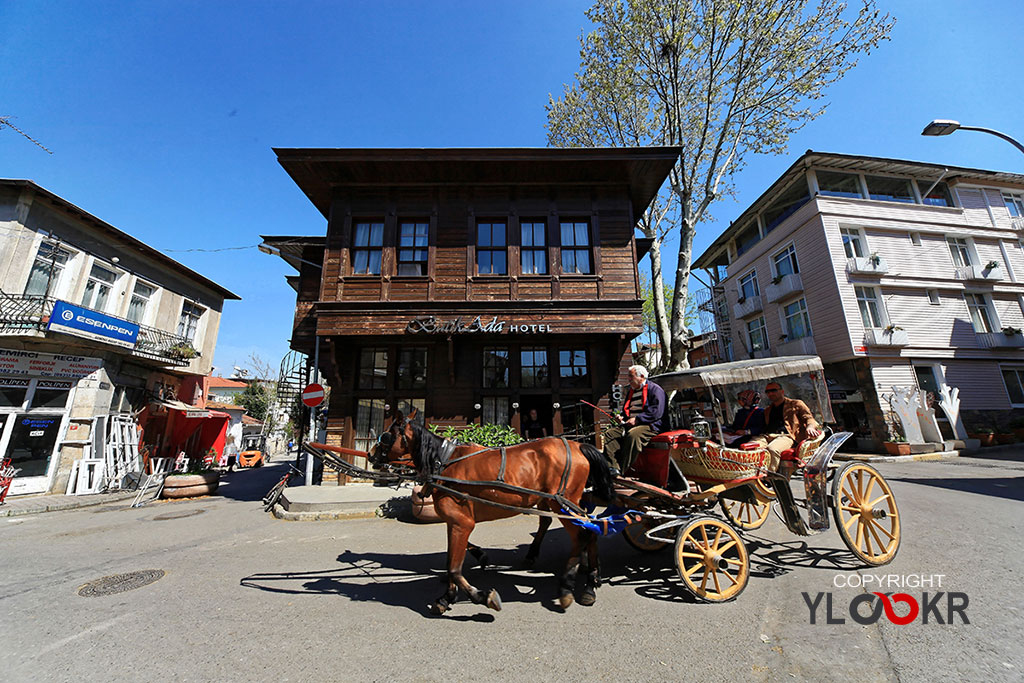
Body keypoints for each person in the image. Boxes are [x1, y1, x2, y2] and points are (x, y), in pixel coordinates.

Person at [603, 365, 666, 476]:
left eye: (631, 377)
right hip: (632, 424)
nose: (629, 380)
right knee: (610, 434)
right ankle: (612, 467)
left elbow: (657, 412)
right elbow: (628, 411)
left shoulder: (655, 390)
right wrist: (622, 417)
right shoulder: (631, 392)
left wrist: (637, 419)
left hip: (650, 425)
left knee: (633, 435)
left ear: (641, 376)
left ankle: (623, 470)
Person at [751, 381, 821, 472]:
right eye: (767, 392)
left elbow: (809, 418)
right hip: (767, 436)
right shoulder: (768, 410)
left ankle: (770, 476)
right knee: (749, 448)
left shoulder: (796, 404)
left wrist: (810, 427)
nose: (770, 393)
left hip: (786, 436)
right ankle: (753, 475)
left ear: (782, 391)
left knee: (772, 449)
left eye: (773, 390)